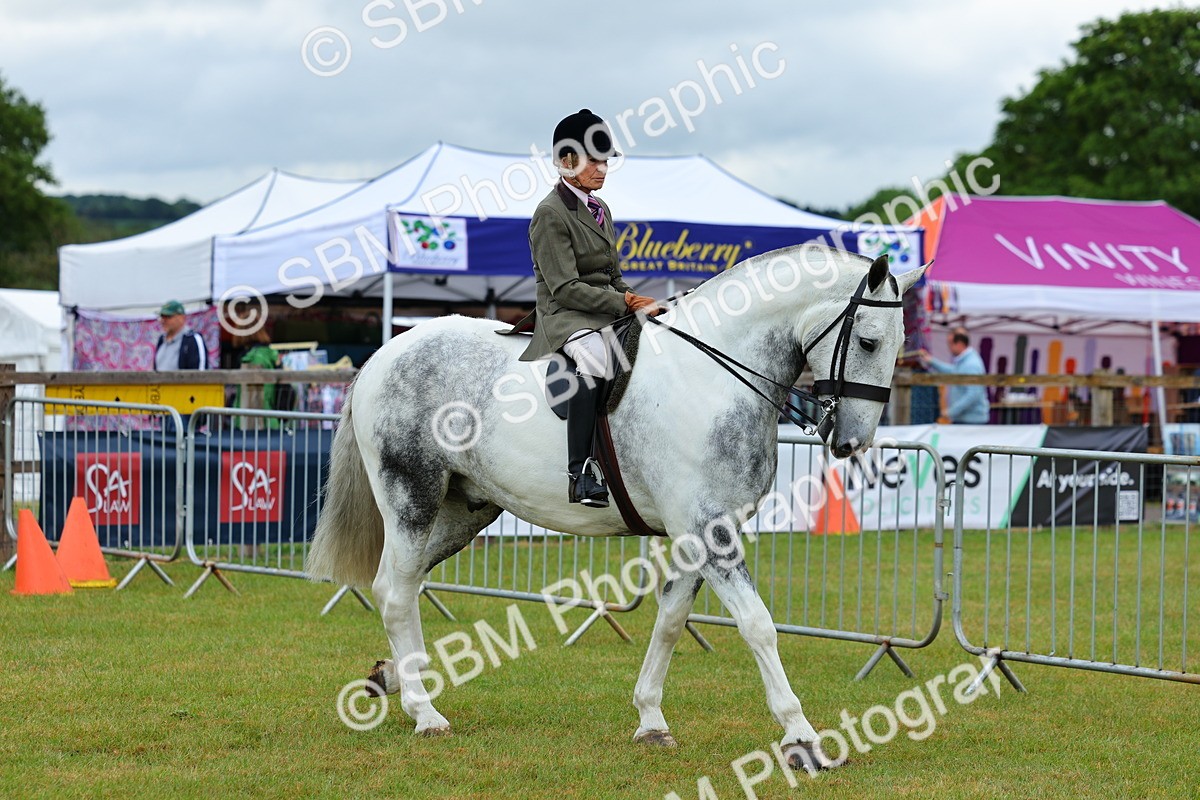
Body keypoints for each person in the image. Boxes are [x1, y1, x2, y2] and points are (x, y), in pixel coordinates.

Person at [513, 109, 662, 508]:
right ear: (566, 161)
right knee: (597, 358)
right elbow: (565, 288)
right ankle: (579, 473)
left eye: (605, 161)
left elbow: (613, 277)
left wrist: (640, 302)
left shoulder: (601, 209)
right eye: (594, 161)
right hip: (567, 316)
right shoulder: (550, 214)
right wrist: (624, 302)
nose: (603, 169)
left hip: (605, 309)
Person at [919, 327, 989, 424]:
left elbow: (973, 394)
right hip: (967, 420)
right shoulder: (964, 362)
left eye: (950, 344)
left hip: (971, 422)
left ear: (959, 344)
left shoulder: (971, 364)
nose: (948, 347)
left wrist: (951, 412)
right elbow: (952, 371)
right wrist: (931, 361)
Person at [153, 300, 207, 371]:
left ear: (181, 317)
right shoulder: (161, 340)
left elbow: (200, 373)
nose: (163, 320)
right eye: (162, 317)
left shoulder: (192, 339)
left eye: (168, 317)